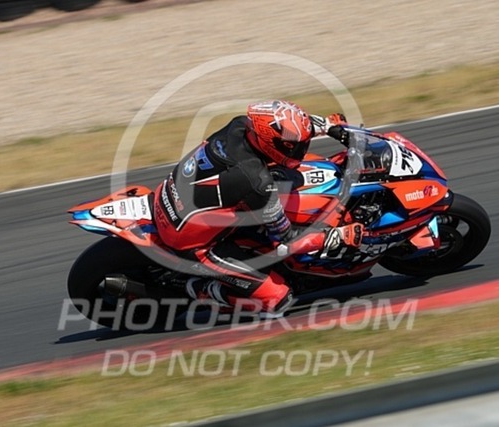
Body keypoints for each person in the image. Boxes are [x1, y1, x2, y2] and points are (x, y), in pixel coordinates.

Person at [153, 100, 364, 318]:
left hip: (169, 197)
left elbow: (289, 129)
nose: (300, 150)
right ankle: (195, 289)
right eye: (291, 146)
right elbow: (286, 240)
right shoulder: (257, 183)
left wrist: (328, 126)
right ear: (268, 141)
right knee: (277, 300)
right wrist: (334, 237)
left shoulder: (240, 125)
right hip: (191, 244)